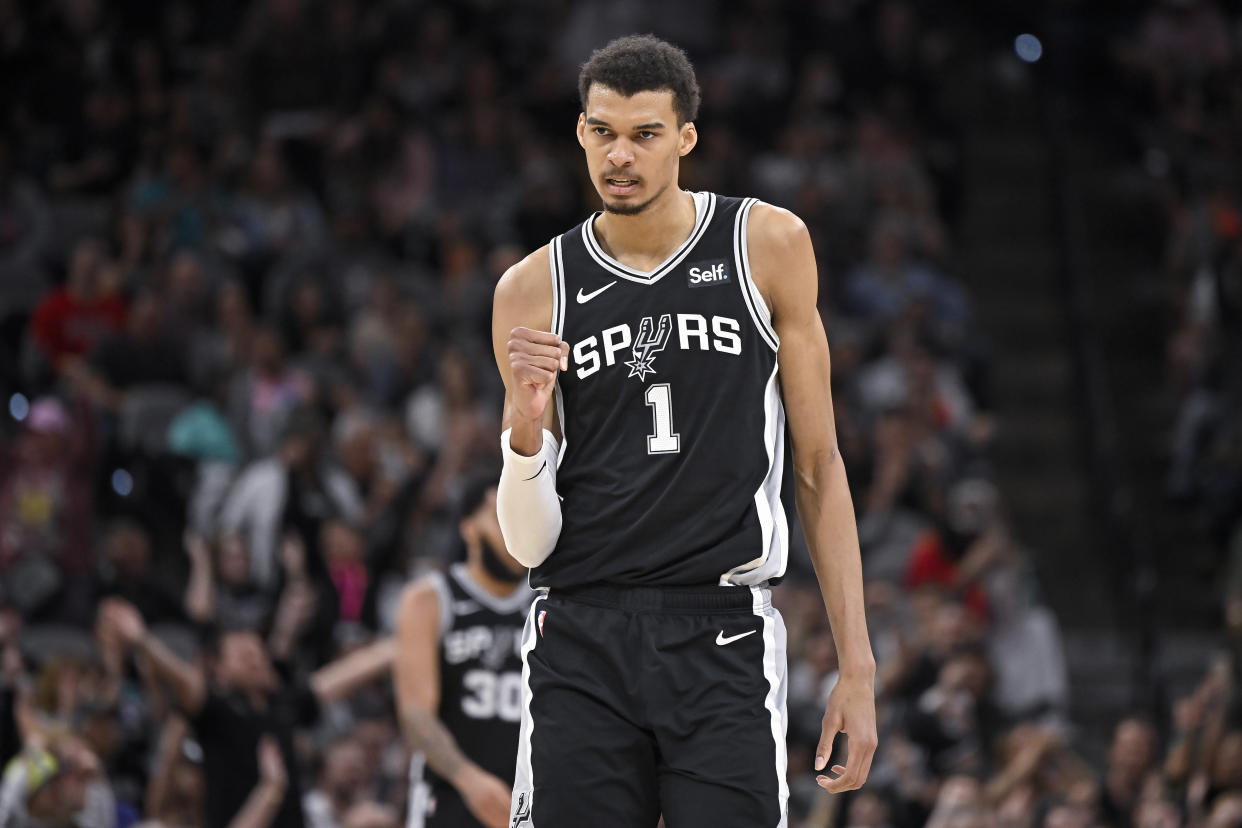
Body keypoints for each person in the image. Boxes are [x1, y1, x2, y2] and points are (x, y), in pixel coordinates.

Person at [491, 34, 877, 828]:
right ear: (580, 133)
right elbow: (529, 546)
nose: (619, 155)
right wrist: (522, 437)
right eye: (602, 132)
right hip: (579, 632)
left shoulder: (767, 245)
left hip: (722, 629)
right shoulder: (532, 288)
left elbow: (818, 465)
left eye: (644, 134)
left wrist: (858, 667)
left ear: (687, 138)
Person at [95, 598, 394, 828]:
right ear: (219, 670)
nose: (253, 660)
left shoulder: (285, 703)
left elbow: (346, 674)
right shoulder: (217, 712)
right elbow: (182, 681)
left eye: (256, 652)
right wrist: (142, 639)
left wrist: (399, 647)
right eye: (241, 655)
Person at [393, 476, 533, 828]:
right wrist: (471, 781)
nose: (513, 527)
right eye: (500, 516)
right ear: (469, 529)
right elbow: (416, 716)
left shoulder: (548, 602)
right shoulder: (430, 599)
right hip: (453, 797)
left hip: (533, 801)